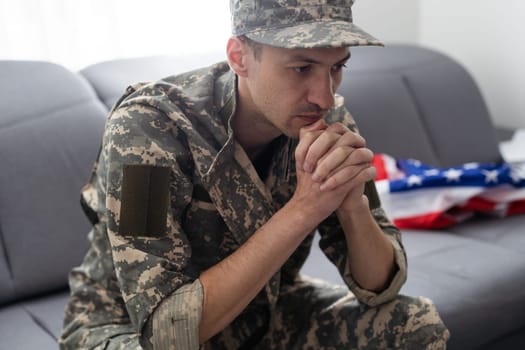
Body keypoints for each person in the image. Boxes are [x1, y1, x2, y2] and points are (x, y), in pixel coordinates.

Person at [60, 0, 450, 349]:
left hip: (263, 316)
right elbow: (167, 334)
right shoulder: (147, 129)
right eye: (301, 67)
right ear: (240, 57)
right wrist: (305, 208)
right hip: (127, 330)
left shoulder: (325, 120)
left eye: (337, 67)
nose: (325, 96)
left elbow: (381, 288)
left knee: (412, 323)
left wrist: (352, 207)